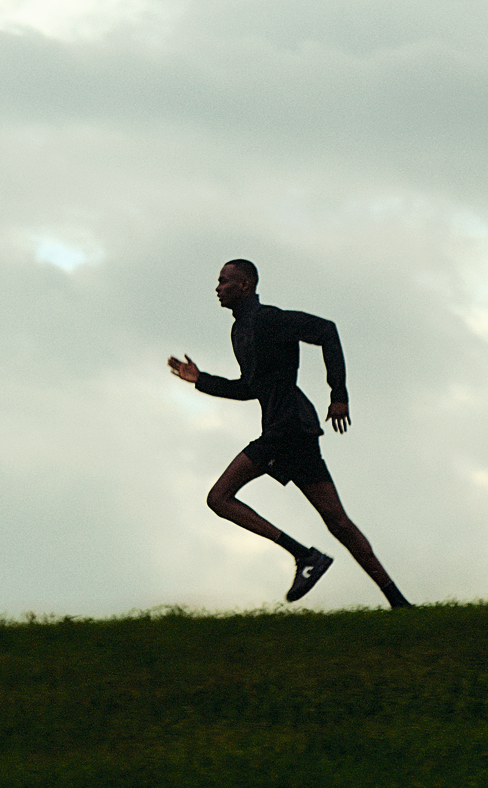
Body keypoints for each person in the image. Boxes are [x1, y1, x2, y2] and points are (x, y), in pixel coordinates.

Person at [168, 259, 411, 608]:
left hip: (287, 429)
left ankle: (305, 557)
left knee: (219, 498)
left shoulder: (269, 319)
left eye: (223, 282)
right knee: (338, 523)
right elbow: (250, 388)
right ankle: (399, 603)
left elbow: (327, 330)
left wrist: (338, 394)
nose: (217, 288)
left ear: (245, 285)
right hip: (292, 430)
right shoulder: (240, 331)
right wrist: (201, 380)